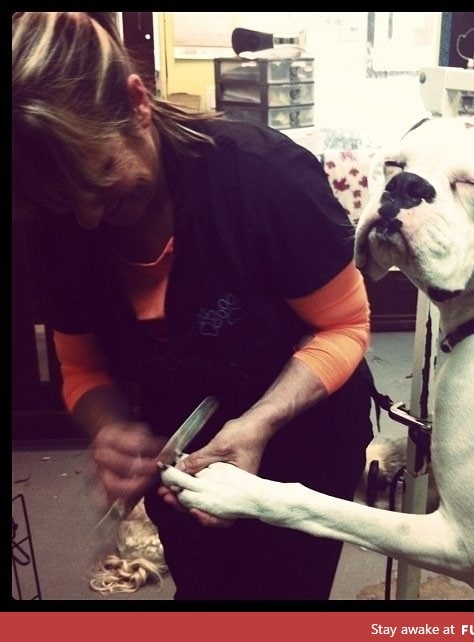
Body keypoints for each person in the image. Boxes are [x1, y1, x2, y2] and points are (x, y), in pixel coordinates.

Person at [12, 12, 375, 601]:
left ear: (136, 105)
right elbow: (83, 369)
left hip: (305, 424)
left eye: (102, 181)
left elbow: (345, 326)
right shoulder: (60, 223)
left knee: (283, 599)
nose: (88, 218)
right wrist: (108, 430)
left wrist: (260, 422)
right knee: (205, 591)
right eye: (64, 202)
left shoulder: (265, 179)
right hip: (181, 438)